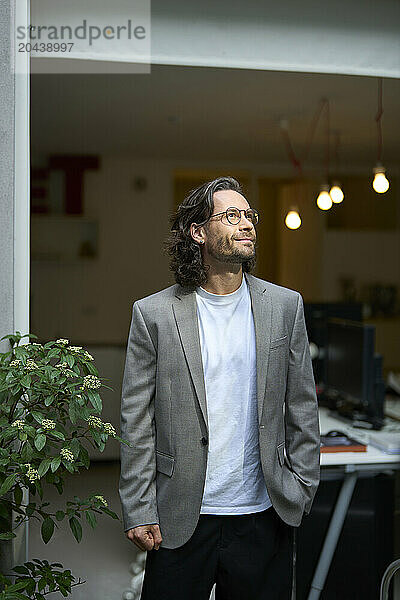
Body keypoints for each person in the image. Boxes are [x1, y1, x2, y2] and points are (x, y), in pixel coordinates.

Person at [119, 176, 320, 600]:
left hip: (263, 513)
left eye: (249, 215)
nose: (246, 224)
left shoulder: (285, 306)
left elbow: (303, 405)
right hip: (181, 514)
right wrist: (139, 507)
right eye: (231, 216)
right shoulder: (153, 314)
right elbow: (137, 419)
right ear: (199, 232)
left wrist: (301, 488)